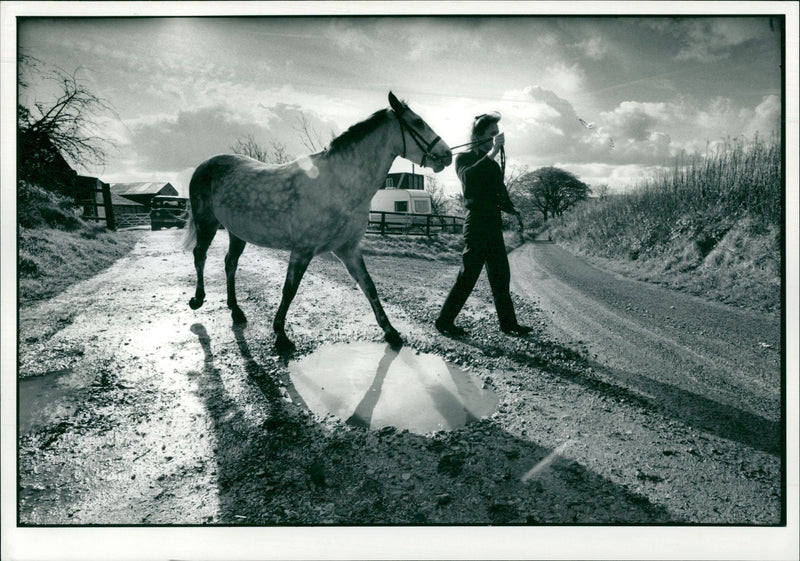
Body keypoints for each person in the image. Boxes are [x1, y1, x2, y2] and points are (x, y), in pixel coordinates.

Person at [435, 112, 533, 337]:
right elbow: (469, 179)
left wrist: (512, 209)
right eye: (491, 134)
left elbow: (500, 193)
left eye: (497, 135)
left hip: (493, 224)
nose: (495, 138)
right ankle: (444, 321)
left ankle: (509, 325)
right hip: (476, 223)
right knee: (468, 276)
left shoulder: (493, 165)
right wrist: (492, 152)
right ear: (478, 135)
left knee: (501, 276)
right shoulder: (464, 159)